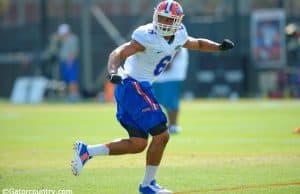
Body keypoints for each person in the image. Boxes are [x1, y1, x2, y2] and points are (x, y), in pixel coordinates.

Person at [71, 1, 234, 193]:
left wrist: (218, 47)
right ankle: (148, 185)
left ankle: (87, 151)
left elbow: (196, 43)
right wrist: (112, 72)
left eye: (168, 19)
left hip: (139, 87)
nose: (163, 22)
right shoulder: (146, 35)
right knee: (162, 134)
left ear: (177, 21)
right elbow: (119, 52)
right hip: (131, 85)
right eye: (161, 17)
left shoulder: (179, 33)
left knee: (138, 143)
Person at [153, 47, 189, 134]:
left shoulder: (177, 34)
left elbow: (178, 46)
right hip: (158, 73)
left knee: (171, 101)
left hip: (173, 74)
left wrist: (169, 61)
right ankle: (158, 125)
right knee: (156, 101)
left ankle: (173, 125)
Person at [57, 24, 81, 102]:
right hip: (65, 62)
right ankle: (70, 95)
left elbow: (73, 51)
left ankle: (74, 95)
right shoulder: (64, 40)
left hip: (70, 62)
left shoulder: (72, 39)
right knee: (67, 80)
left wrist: (70, 61)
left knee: (72, 79)